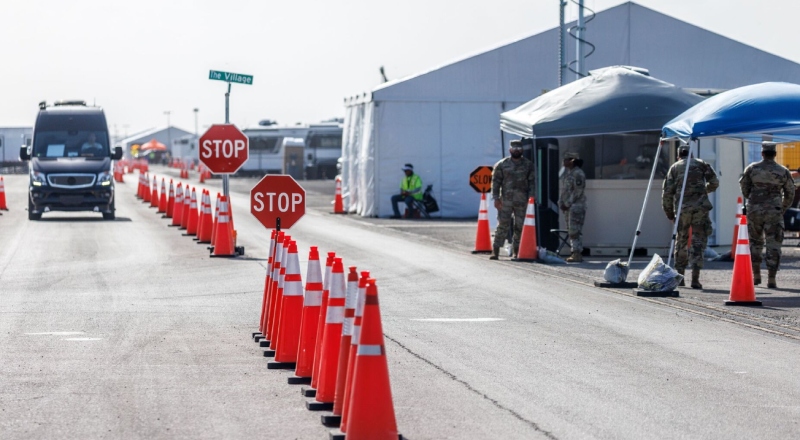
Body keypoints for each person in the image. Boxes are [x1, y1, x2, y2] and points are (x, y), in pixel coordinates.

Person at [661, 144, 719, 289]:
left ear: (679, 155)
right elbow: (715, 182)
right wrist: (704, 191)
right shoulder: (701, 164)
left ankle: (680, 277)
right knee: (698, 241)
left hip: (682, 209)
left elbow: (667, 192)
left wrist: (669, 213)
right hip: (700, 209)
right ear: (692, 154)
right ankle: (695, 278)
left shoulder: (675, 168)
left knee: (681, 241)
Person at [739, 141, 795, 288]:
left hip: (754, 210)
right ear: (775, 154)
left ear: (762, 153)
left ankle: (756, 275)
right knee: (773, 244)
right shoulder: (782, 171)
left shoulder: (752, 168)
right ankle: (771, 278)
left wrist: (753, 200)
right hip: (773, 211)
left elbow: (744, 188)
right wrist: (782, 207)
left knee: (755, 242)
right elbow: (790, 192)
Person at [490, 139, 536, 260]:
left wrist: (531, 198)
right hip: (505, 201)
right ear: (510, 150)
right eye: (514, 149)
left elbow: (532, 183)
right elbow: (496, 182)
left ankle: (517, 251)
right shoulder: (502, 164)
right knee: (503, 225)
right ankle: (495, 251)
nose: (516, 151)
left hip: (522, 201)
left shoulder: (528, 165)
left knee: (520, 226)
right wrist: (495, 198)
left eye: (519, 149)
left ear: (522, 150)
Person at [558, 152, 586, 263]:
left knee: (574, 231)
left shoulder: (578, 174)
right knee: (571, 230)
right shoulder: (568, 173)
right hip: (569, 208)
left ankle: (577, 253)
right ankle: (575, 252)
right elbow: (565, 190)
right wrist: (561, 202)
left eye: (565, 160)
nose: (563, 162)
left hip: (576, 207)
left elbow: (578, 191)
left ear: (572, 161)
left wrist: (568, 203)